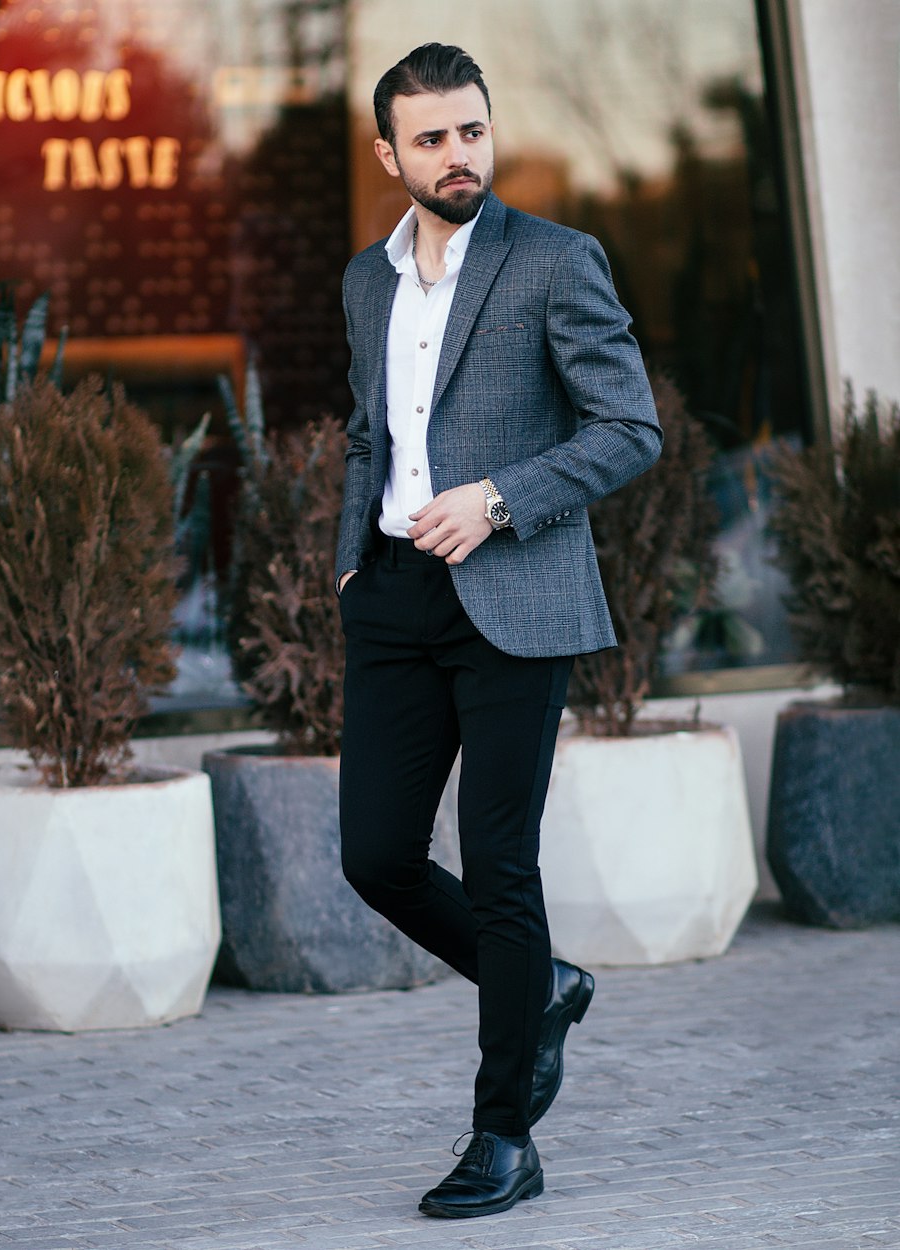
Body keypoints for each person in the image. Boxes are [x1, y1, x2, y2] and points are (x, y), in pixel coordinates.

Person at [335, 43, 662, 1220]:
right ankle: (548, 985)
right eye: (429, 138)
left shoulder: (555, 262)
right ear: (391, 155)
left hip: (514, 595)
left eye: (469, 131)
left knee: (501, 863)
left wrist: (501, 496)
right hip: (392, 597)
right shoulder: (365, 282)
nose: (457, 154)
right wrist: (349, 557)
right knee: (372, 853)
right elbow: (371, 430)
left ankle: (502, 1135)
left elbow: (630, 428)